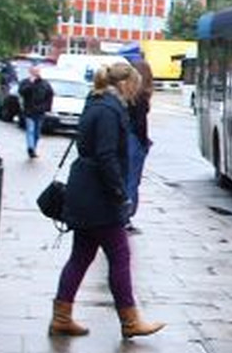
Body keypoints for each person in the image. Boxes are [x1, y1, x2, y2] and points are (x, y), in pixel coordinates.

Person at [48, 61, 165, 339]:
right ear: (125, 84)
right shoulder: (111, 111)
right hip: (99, 197)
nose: (136, 91)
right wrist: (119, 193)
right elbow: (107, 156)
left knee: (81, 255)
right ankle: (130, 320)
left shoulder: (95, 103)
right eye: (134, 86)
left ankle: (61, 316)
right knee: (120, 256)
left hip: (84, 191)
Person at [125, 58, 154, 232]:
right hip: (135, 140)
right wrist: (145, 143)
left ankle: (123, 215)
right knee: (132, 180)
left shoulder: (127, 94)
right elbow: (140, 124)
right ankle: (126, 216)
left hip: (127, 138)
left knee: (125, 178)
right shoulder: (141, 97)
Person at [18, 65, 54, 159]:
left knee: (37, 133)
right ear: (30, 72)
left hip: (40, 112)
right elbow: (22, 92)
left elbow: (50, 95)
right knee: (30, 130)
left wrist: (47, 108)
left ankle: (33, 147)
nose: (36, 73)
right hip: (29, 111)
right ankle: (30, 148)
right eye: (34, 71)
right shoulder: (25, 82)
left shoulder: (45, 83)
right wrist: (31, 84)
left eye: (37, 71)